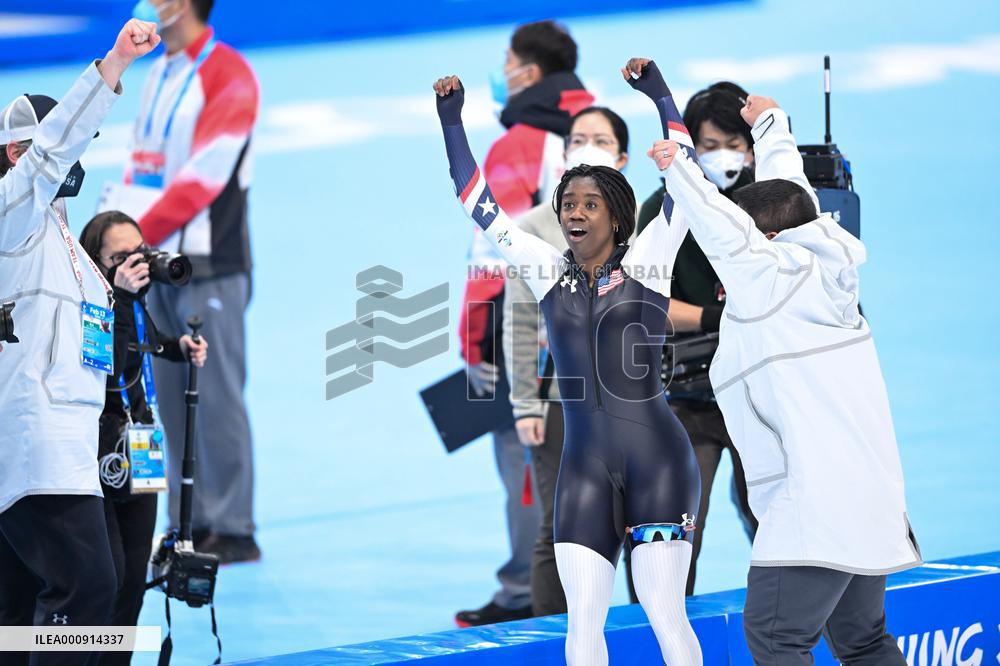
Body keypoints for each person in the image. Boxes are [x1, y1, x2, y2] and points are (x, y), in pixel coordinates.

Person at [435, 61, 703, 666]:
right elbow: (478, 205)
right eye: (567, 204)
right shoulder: (545, 269)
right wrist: (452, 122)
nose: (575, 213)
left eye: (589, 204)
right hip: (583, 467)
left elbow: (685, 174)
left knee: (664, 611)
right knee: (581, 622)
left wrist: (660, 94)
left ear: (616, 213)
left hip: (658, 462)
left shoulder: (651, 260)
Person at [649, 93, 920, 665]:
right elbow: (795, 196)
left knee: (776, 640)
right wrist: (771, 127)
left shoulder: (768, 285)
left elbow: (729, 230)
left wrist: (679, 168)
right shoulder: (827, 262)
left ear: (765, 246)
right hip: (872, 502)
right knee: (864, 642)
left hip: (811, 510)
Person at [0, 18, 159, 660]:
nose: (76, 156)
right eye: (67, 144)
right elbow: (51, 153)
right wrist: (114, 64)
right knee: (87, 591)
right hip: (37, 440)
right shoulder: (13, 214)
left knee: (19, 606)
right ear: (16, 154)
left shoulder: (65, 239)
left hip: (77, 437)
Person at [456, 19, 593, 627]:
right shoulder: (601, 133)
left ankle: (526, 595)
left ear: (529, 73)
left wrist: (475, 340)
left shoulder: (519, 144)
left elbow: (496, 250)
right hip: (601, 333)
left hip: (530, 336)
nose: (502, 70)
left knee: (526, 463)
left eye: (507, 60)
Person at [119, 0, 261, 563]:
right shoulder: (159, 70)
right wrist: (124, 239)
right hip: (155, 260)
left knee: (217, 396)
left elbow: (202, 180)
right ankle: (188, 522)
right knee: (168, 398)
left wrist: (132, 233)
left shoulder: (229, 73)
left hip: (211, 263)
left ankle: (233, 527)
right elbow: (143, 166)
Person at [501, 106, 634, 616]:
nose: (588, 146)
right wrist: (525, 407)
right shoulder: (534, 226)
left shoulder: (643, 220)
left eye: (600, 139)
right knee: (562, 526)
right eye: (578, 138)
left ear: (623, 156)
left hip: (635, 400)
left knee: (642, 525)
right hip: (563, 405)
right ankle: (556, 636)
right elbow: (519, 323)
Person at [636, 81, 760, 595]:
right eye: (708, 144)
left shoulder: (777, 203)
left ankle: (802, 627)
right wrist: (715, 318)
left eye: (733, 142)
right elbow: (644, 303)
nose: (721, 155)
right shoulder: (659, 210)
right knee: (675, 530)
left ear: (753, 146)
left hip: (761, 394)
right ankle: (663, 626)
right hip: (689, 396)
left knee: (775, 517)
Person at [79, 211, 208, 666]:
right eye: (122, 257)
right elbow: (107, 363)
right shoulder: (91, 304)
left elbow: (146, 344)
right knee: (107, 579)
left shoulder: (135, 303)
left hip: (143, 446)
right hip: (99, 453)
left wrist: (179, 348)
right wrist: (117, 296)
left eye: (141, 252)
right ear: (95, 263)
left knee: (134, 582)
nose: (137, 263)